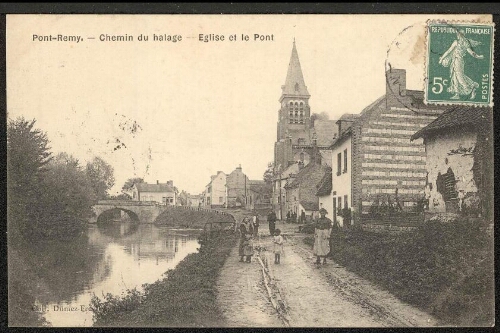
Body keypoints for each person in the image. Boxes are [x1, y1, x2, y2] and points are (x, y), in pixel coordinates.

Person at [439, 29, 484, 100]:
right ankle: (457, 94)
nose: (458, 36)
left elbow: (471, 52)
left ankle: (472, 87)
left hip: (458, 61)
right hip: (455, 61)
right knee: (454, 77)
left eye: (459, 34)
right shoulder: (461, 42)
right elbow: (449, 51)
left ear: (460, 35)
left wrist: (478, 56)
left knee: (459, 77)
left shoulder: (461, 42)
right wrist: (442, 58)